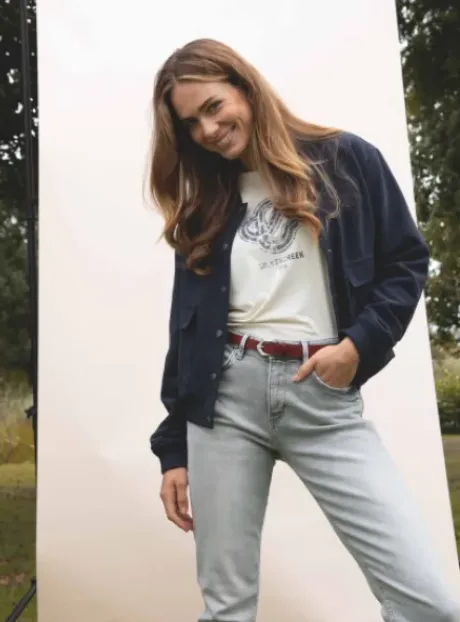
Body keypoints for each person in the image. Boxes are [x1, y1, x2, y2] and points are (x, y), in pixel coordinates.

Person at [148, 38, 460, 622]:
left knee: (431, 605)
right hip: (224, 402)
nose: (207, 129)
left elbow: (406, 262)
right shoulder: (204, 205)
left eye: (214, 107)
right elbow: (185, 332)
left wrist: (359, 345)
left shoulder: (346, 160)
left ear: (245, 87)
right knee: (227, 609)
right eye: (190, 123)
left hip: (321, 395)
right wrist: (173, 448)